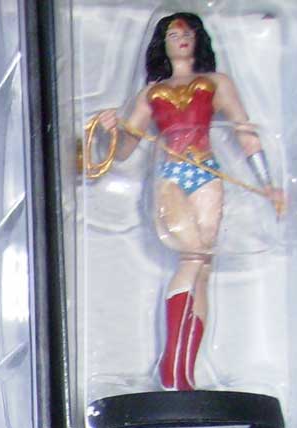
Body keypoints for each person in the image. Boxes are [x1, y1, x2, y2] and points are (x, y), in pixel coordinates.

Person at [87, 13, 284, 393]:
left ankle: (184, 373)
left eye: (187, 32)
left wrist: (269, 185)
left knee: (202, 267)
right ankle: (170, 365)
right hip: (172, 176)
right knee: (192, 257)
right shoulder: (151, 94)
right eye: (173, 33)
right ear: (162, 43)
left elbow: (245, 131)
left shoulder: (216, 83)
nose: (181, 38)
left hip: (208, 174)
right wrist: (110, 133)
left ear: (198, 39)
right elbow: (125, 150)